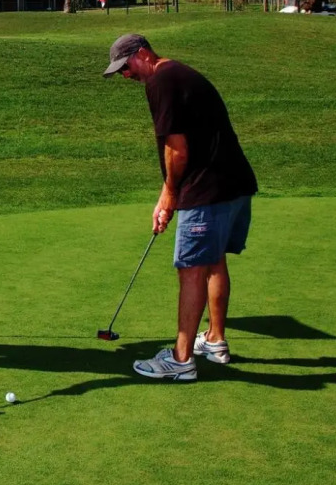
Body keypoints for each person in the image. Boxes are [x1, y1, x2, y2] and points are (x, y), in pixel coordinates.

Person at [103, 33, 257, 381]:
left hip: (206, 188)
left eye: (126, 68)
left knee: (190, 269)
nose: (126, 76)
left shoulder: (160, 81)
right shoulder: (180, 74)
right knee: (213, 260)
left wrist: (172, 194)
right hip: (233, 184)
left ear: (142, 53)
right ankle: (215, 340)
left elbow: (177, 148)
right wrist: (165, 194)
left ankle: (181, 359)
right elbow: (186, 145)